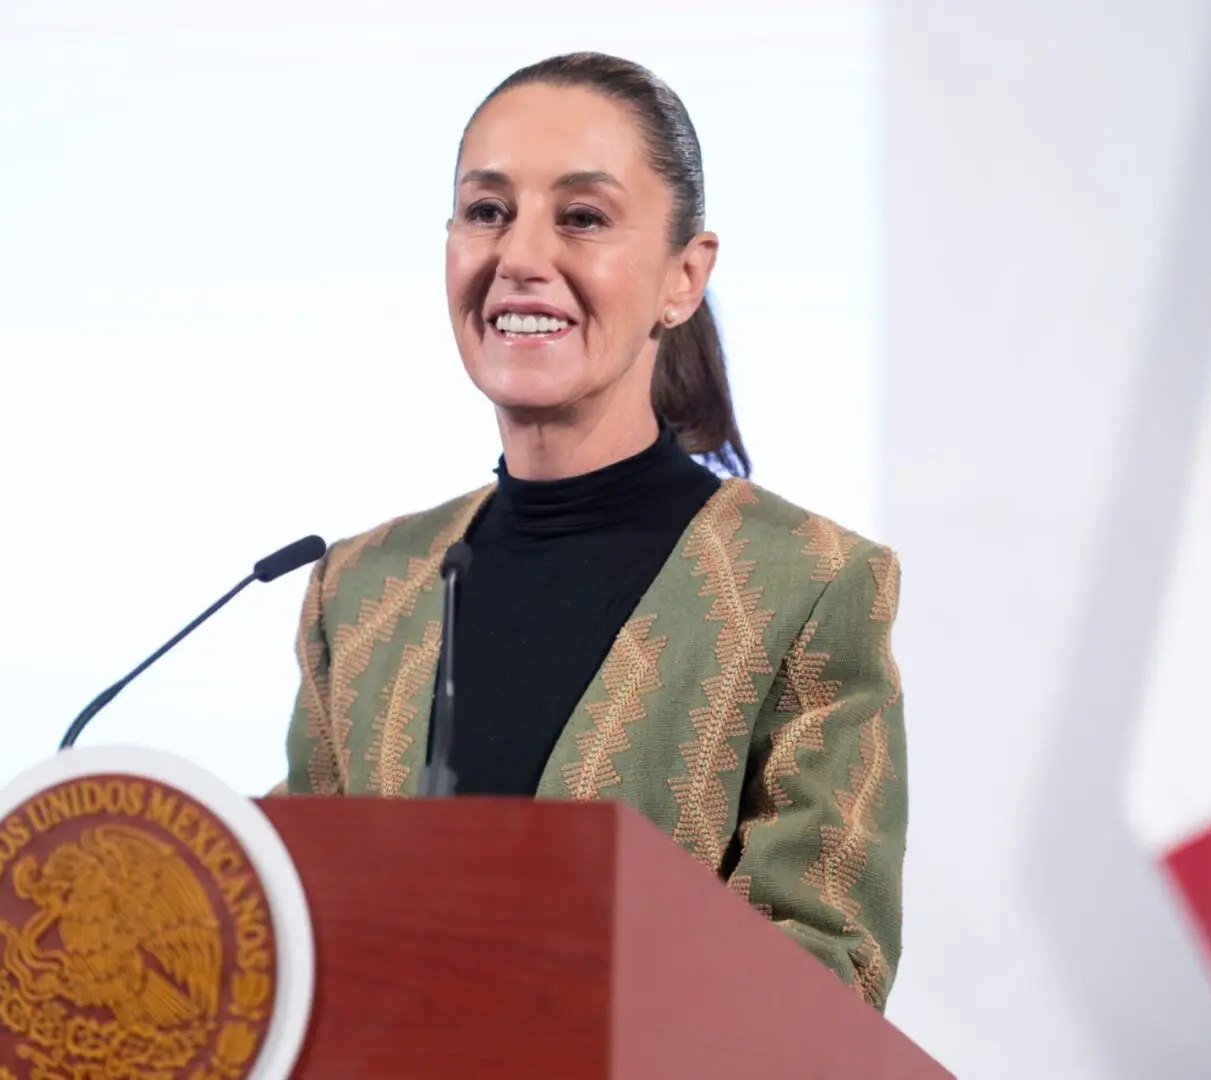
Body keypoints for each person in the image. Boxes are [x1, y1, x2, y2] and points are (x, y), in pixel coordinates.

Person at [280, 52, 907, 1011]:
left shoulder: (809, 586)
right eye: (487, 211)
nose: (520, 256)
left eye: (582, 217)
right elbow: (283, 926)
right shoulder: (360, 589)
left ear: (683, 277)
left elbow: (824, 975)